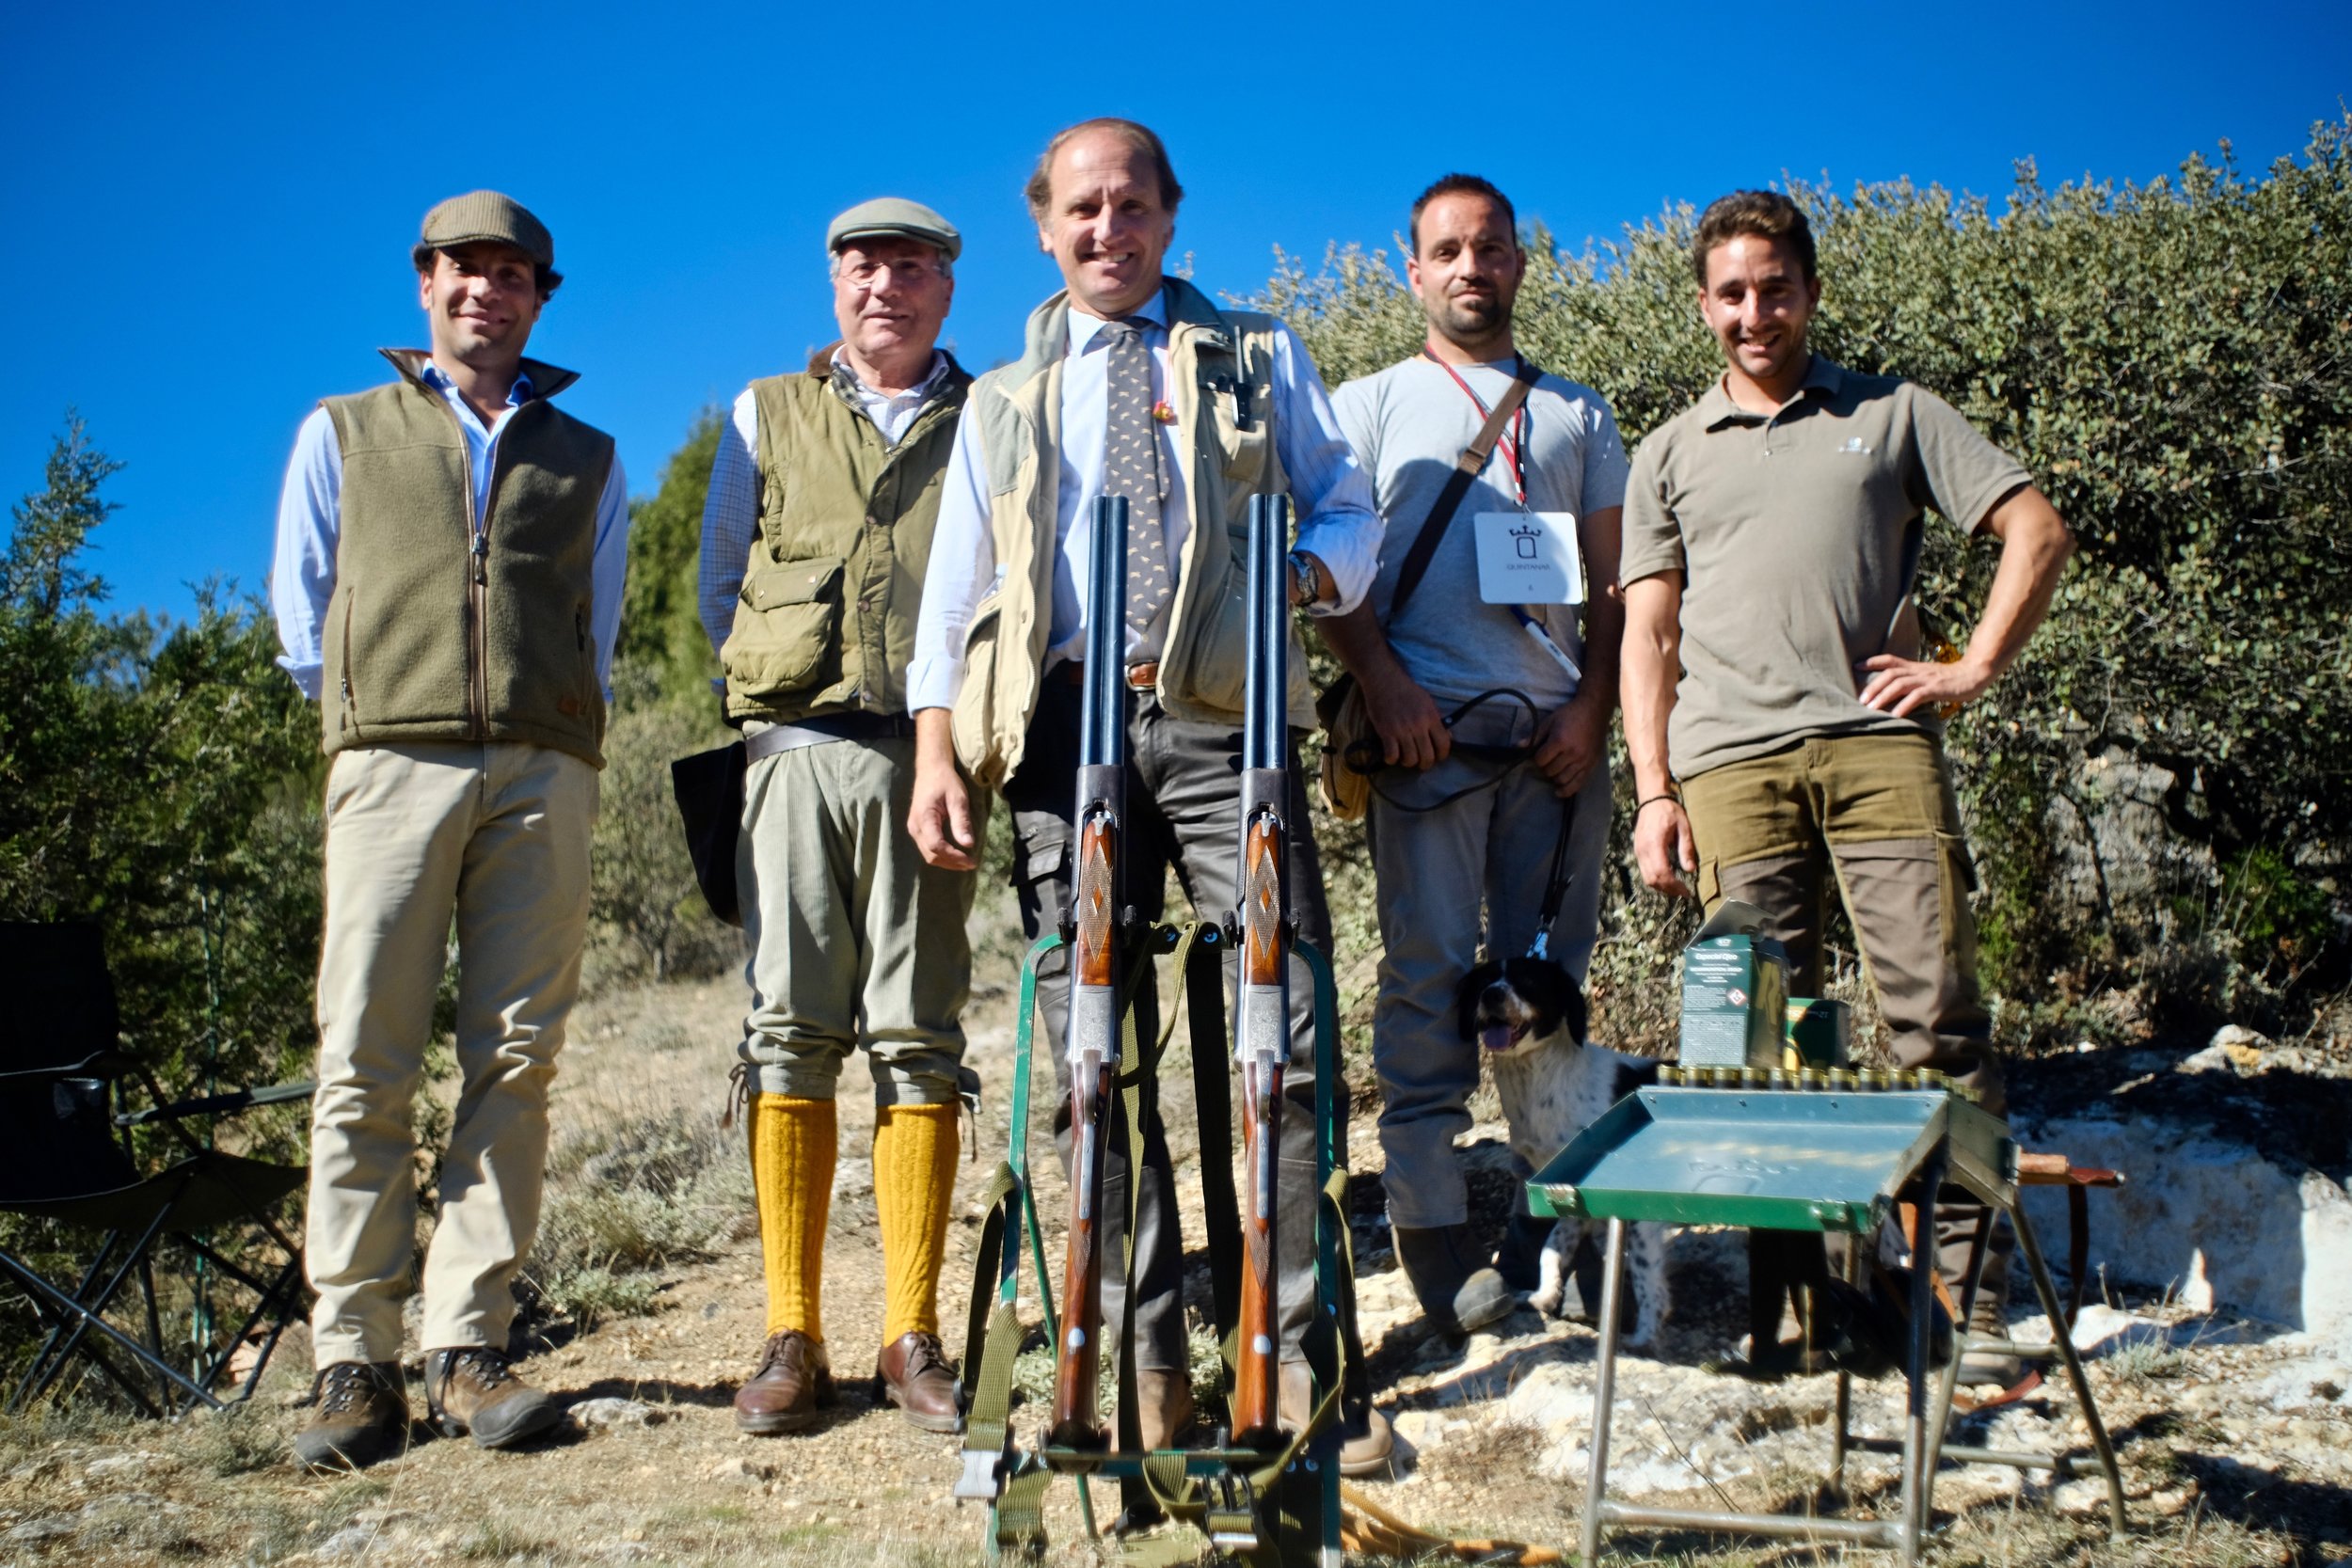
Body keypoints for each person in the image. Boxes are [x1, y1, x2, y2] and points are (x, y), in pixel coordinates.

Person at [904, 118, 1391, 1472]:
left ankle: (1293, 1364)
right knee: (1090, 1064)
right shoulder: (1000, 398)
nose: (1105, 230)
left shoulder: (1258, 353)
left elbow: (1350, 507)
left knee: (1279, 1038)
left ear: (1170, 218)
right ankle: (1146, 1363)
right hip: (1066, 729)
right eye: (1079, 209)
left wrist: (1296, 583)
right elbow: (953, 596)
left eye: (1129, 206)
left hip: (1231, 717)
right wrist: (939, 747)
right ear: (1042, 225)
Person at [1619, 189, 2074, 1377]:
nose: (1753, 312)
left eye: (1775, 287)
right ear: (1703, 304)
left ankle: (1956, 1304)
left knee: (1934, 1017)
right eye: (1731, 292)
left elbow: (2035, 527)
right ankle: (1813, 1314)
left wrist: (1970, 666)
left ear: (1810, 291)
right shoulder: (1666, 451)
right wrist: (1654, 789)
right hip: (1725, 765)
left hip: (1877, 750)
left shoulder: (1894, 412)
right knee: (1762, 1044)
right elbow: (1646, 637)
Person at [270, 192, 629, 1467]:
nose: (487, 290)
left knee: (517, 1053)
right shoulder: (343, 430)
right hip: (389, 764)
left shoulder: (585, 452)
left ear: (542, 294)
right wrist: (387, 720)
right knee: (365, 1050)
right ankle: (351, 1360)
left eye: (512, 273)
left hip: (544, 765)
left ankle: (469, 1340)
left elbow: (605, 610)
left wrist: (544, 727)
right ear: (423, 283)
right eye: (463, 269)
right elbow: (301, 617)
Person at [1324, 174, 1627, 1335]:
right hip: (1426, 742)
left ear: (1517, 261)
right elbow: (1328, 572)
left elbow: (1614, 587)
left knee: (1548, 987)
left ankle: (1561, 1231)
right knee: (1428, 987)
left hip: (1553, 752)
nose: (1469, 267)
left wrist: (1591, 710)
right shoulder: (1369, 403)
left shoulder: (1578, 417)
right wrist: (1384, 686)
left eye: (1488, 248)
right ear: (1414, 270)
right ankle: (1437, 1240)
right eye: (1445, 250)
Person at [696, 198, 977, 1437]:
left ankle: (911, 1331)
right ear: (833, 285)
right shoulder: (766, 411)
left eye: (910, 267)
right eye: (864, 265)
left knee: (918, 1036)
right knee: (788, 1034)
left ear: (943, 290)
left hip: (936, 762)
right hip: (795, 755)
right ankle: (791, 1331)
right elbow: (718, 583)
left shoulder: (992, 419)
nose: (886, 286)